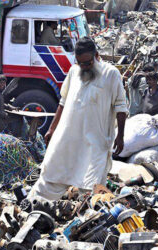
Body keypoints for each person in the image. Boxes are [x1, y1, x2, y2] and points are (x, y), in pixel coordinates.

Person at [28, 37, 128, 201]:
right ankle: (33, 205)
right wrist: (52, 129)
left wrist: (120, 135)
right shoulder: (74, 71)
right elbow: (63, 102)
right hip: (68, 139)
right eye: (80, 62)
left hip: (95, 142)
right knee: (51, 174)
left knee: (90, 188)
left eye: (87, 63)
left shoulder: (111, 74)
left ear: (96, 56)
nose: (84, 67)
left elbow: (121, 107)